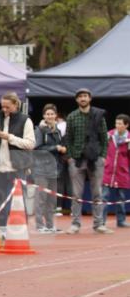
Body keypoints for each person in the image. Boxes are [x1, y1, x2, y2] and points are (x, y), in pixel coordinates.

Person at [0, 92, 34, 240]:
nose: (4, 110)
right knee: (0, 202)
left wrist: (10, 138)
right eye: (3, 106)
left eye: (8, 107)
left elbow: (30, 144)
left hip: (18, 168)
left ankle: (21, 233)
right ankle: (2, 233)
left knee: (19, 202)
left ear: (16, 105)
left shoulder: (25, 120)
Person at [63, 88, 110, 234]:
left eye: (85, 96)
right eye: (80, 96)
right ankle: (75, 224)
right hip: (76, 160)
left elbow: (104, 139)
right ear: (76, 100)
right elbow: (68, 139)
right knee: (76, 194)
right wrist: (70, 157)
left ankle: (99, 224)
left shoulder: (98, 115)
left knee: (97, 193)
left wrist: (103, 156)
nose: (83, 98)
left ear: (90, 98)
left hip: (96, 159)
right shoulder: (72, 117)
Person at [32, 103, 67, 233]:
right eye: (47, 114)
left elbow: (59, 148)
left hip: (55, 169)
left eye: (52, 114)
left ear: (56, 115)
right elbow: (37, 149)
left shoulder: (58, 131)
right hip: (41, 170)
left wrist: (63, 150)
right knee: (41, 198)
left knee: (52, 199)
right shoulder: (39, 130)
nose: (50, 116)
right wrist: (55, 148)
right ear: (44, 116)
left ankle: (50, 225)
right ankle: (39, 226)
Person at [101, 114, 129, 229]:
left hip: (122, 172)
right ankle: (101, 222)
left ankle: (121, 221)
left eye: (120, 124)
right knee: (104, 197)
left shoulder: (129, 139)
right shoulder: (109, 135)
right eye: (116, 123)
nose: (117, 125)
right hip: (108, 171)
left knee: (121, 198)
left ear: (126, 125)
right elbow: (102, 150)